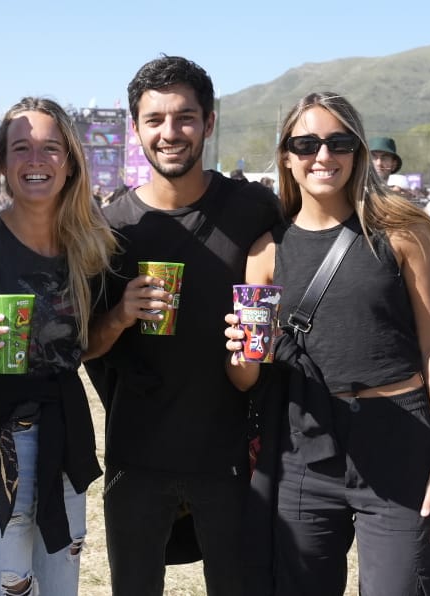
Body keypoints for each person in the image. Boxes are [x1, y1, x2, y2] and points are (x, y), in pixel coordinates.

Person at [224, 91, 430, 595]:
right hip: (303, 449)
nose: (323, 156)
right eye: (306, 143)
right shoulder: (266, 252)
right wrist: (244, 354)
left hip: (399, 443)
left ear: (358, 151)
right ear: (286, 156)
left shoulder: (402, 228)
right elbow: (246, 378)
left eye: (339, 142)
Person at [82, 55, 281, 596]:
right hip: (137, 454)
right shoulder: (111, 227)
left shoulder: (253, 208)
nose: (170, 133)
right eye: (154, 120)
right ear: (136, 128)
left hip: (232, 454)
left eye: (185, 117)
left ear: (209, 122)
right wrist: (121, 314)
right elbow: (88, 346)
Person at [0, 97, 117, 595]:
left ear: (71, 162)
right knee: (1, 587)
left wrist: (122, 317)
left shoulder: (89, 242)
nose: (36, 160)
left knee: (61, 584)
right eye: (21, 148)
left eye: (50, 148)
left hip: (66, 439)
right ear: (1, 163)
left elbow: (81, 350)